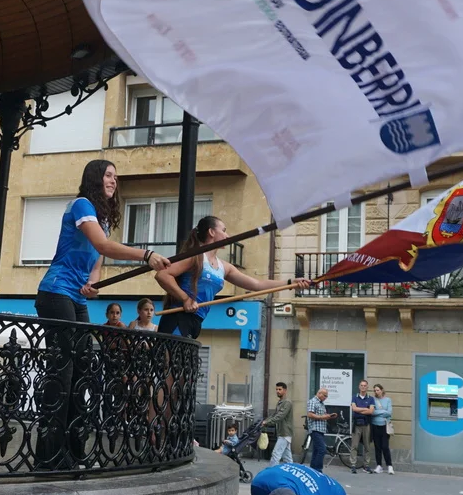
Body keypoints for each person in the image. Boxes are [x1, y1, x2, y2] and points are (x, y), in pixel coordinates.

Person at [32, 160, 167, 470]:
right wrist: (146, 255)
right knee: (63, 371)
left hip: (75, 296)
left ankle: (73, 453)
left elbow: (96, 264)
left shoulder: (101, 220)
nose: (113, 181)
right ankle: (48, 455)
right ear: (95, 178)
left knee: (82, 371)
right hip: (55, 291)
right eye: (108, 175)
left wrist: (92, 285)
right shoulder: (81, 205)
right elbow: (102, 245)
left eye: (115, 177)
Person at [155, 215, 307, 339]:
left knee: (183, 367)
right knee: (172, 366)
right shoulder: (195, 256)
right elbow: (163, 275)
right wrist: (185, 299)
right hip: (178, 317)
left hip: (197, 320)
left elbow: (257, 284)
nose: (227, 235)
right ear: (211, 232)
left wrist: (290, 282)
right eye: (224, 230)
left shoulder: (224, 267)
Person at [305, 387, 336, 471]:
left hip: (321, 429)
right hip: (315, 429)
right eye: (325, 395)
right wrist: (323, 417)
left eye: (327, 396)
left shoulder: (321, 403)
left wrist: (329, 416)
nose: (326, 397)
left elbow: (322, 415)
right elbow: (310, 414)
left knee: (316, 450)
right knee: (322, 449)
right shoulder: (313, 401)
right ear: (319, 393)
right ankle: (318, 469)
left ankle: (313, 469)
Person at [347, 379, 375, 475]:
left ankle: (366, 465)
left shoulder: (371, 398)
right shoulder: (354, 397)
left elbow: (371, 411)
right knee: (354, 446)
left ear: (367, 387)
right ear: (359, 387)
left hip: (366, 424)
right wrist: (365, 409)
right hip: (356, 424)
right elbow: (354, 409)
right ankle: (353, 465)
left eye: (365, 385)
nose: (363, 387)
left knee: (367, 446)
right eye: (361, 385)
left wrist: (360, 410)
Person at [264, 381, 295, 466]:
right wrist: (265, 421)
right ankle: (291, 471)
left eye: (280, 389)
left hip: (285, 433)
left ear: (285, 390)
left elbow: (280, 416)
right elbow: (274, 415)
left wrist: (267, 422)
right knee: (287, 458)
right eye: (276, 389)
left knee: (276, 454)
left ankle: (272, 472)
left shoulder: (287, 402)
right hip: (282, 432)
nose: (277, 391)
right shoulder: (280, 402)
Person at [371, 383, 393, 474]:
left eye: (378, 390)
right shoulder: (373, 400)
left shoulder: (388, 400)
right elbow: (372, 412)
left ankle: (389, 466)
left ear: (382, 390)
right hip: (375, 425)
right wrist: (383, 411)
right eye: (375, 390)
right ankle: (379, 465)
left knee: (385, 446)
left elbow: (389, 413)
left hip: (384, 426)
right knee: (377, 446)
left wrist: (378, 412)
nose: (376, 392)